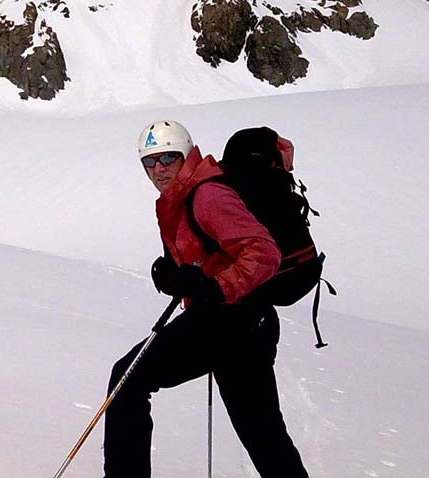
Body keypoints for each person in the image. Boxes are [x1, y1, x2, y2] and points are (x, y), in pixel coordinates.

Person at [102, 120, 308, 478]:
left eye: (168, 157)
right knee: (263, 435)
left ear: (186, 154)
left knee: (128, 379)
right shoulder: (181, 197)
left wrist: (212, 288)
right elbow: (206, 255)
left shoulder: (208, 195)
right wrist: (174, 275)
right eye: (149, 161)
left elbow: (263, 253)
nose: (159, 169)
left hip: (229, 320)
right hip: (248, 323)